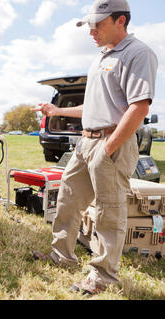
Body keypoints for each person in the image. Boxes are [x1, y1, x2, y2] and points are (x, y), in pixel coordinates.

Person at [32, 0, 158, 295]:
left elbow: (138, 107)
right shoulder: (101, 58)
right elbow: (94, 106)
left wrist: (110, 146)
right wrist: (58, 111)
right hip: (86, 142)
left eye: (98, 24)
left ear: (121, 21)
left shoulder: (138, 54)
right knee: (67, 199)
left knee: (108, 211)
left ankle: (103, 276)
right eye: (89, 25)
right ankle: (62, 257)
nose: (91, 31)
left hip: (111, 143)